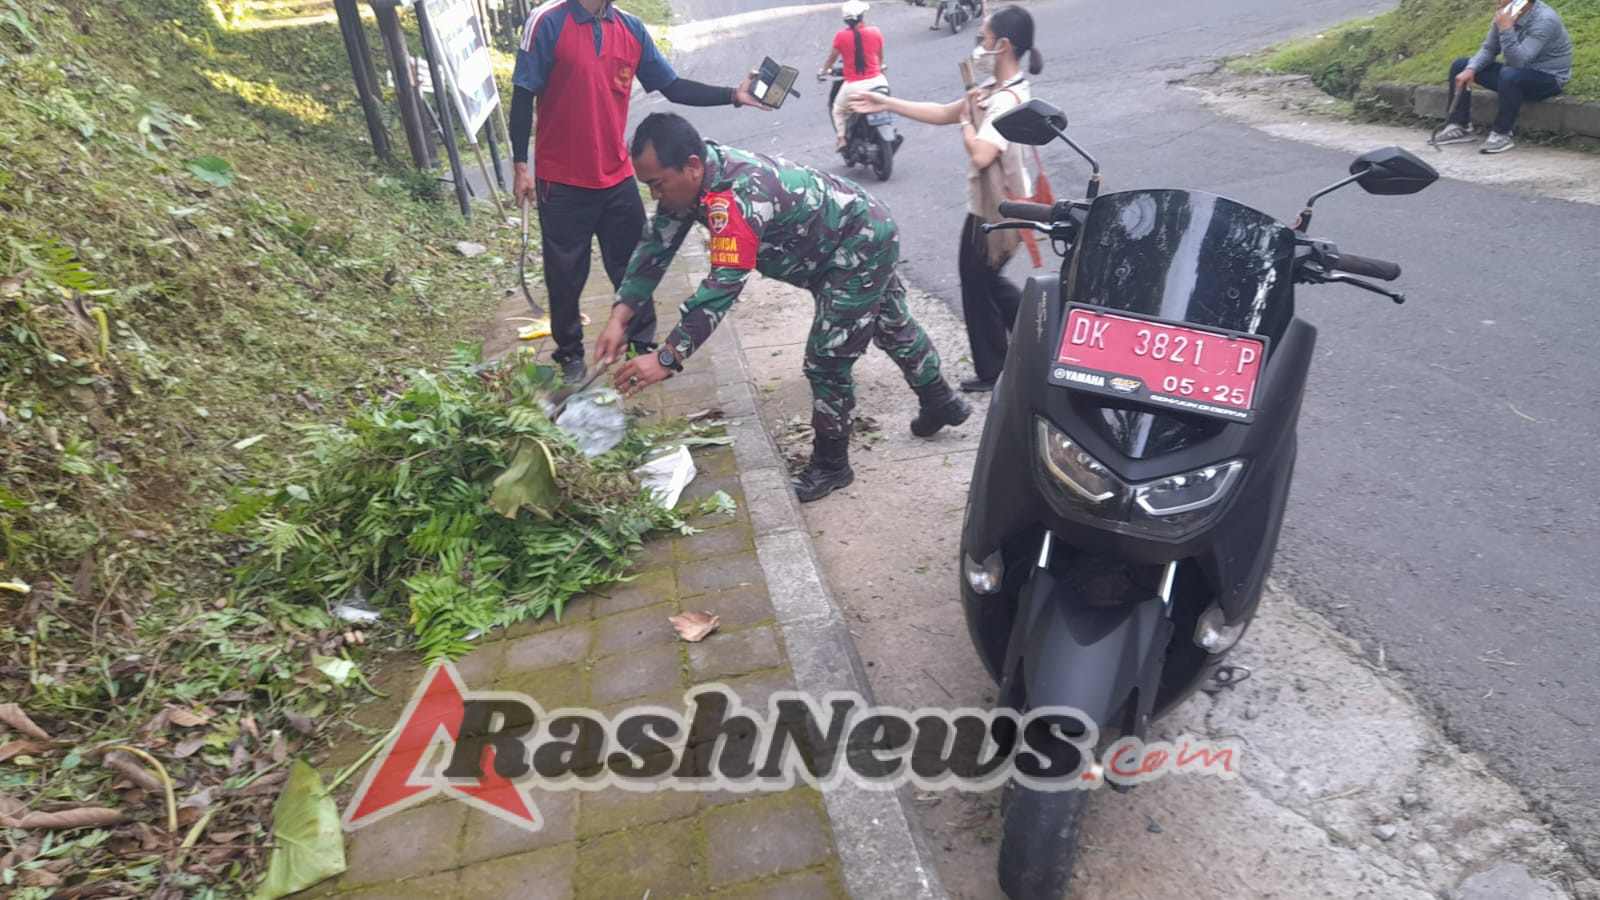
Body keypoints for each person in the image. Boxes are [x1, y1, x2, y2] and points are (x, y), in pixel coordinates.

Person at [595, 113, 972, 502]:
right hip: (843, 239)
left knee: (828, 357)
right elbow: (655, 247)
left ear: (691, 166)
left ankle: (831, 464)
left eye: (657, 185)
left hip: (857, 243)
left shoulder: (735, 195)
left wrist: (669, 356)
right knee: (891, 324)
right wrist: (619, 319)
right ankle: (940, 401)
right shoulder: (693, 181)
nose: (656, 196)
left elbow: (724, 282)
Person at [508, 0, 771, 383]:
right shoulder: (547, 21)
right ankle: (569, 355)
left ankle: (641, 346)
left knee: (635, 265)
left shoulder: (630, 28)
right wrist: (520, 167)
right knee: (565, 275)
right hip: (560, 180)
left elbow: (673, 86)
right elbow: (522, 94)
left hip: (616, 177)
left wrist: (733, 94)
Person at [849, 6, 1043, 393]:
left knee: (977, 282)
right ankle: (1040, 337)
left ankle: (997, 368)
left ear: (1002, 45)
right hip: (1000, 206)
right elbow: (943, 113)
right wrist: (887, 103)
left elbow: (981, 153)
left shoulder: (1004, 100)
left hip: (995, 209)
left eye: (984, 39)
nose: (980, 45)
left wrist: (970, 120)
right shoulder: (994, 90)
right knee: (986, 281)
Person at [1431, 0, 1572, 154]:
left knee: (1510, 75)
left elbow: (1518, 61)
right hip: (1515, 74)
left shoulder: (1545, 19)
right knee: (1461, 65)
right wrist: (1471, 68)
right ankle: (1458, 125)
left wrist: (1506, 28)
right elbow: (1489, 49)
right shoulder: (1505, 13)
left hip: (1548, 78)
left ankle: (1502, 133)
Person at [821, 1, 887, 152]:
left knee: (838, 109)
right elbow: (880, 57)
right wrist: (878, 68)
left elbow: (831, 59)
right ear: (863, 17)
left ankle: (842, 138)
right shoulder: (875, 32)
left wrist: (825, 70)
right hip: (879, 82)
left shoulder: (841, 36)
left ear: (846, 20)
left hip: (854, 87)